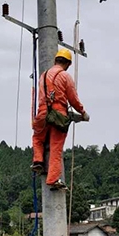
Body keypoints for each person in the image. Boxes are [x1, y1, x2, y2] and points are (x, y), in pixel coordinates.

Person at [31, 48, 89, 191]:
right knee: (56, 147)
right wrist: (83, 112)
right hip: (58, 115)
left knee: (38, 138)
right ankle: (53, 179)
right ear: (68, 63)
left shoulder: (43, 76)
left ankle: (38, 161)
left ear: (55, 60)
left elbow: (41, 96)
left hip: (43, 113)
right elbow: (73, 99)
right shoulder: (65, 76)